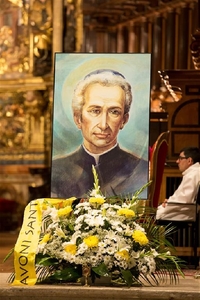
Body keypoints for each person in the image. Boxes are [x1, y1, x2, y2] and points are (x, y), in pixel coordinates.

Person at [51, 69, 148, 199]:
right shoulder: (58, 168)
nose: (103, 125)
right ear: (78, 118)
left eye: (114, 112)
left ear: (123, 120)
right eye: (95, 111)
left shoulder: (141, 170)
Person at [156, 147, 200, 221]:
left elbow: (185, 200)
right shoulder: (192, 172)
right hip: (182, 209)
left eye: (180, 158)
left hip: (184, 212)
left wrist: (168, 203)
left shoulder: (193, 174)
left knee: (150, 216)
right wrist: (169, 201)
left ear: (189, 160)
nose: (177, 161)